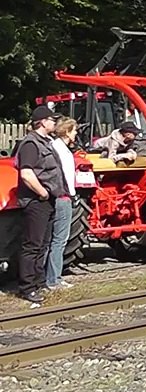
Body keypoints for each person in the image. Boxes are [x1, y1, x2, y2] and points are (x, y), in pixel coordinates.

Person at [15, 104, 68, 305]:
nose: (55, 123)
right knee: (32, 245)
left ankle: (38, 282)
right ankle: (27, 287)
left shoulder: (46, 142)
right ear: (42, 122)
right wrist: (43, 192)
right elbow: (26, 173)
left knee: (43, 245)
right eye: (52, 120)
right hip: (37, 201)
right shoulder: (30, 144)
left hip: (48, 200)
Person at [46, 117, 79, 290]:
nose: (76, 134)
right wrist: (72, 195)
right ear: (67, 131)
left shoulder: (54, 147)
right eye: (74, 130)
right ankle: (54, 279)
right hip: (63, 196)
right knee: (59, 240)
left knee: (51, 240)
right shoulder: (63, 151)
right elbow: (66, 176)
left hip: (57, 196)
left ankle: (48, 277)